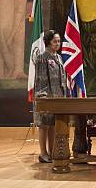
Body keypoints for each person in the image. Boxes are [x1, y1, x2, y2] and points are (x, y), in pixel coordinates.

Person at [33, 30, 68, 163]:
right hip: (46, 98)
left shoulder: (58, 57)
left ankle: (52, 151)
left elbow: (62, 79)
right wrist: (43, 99)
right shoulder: (42, 58)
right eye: (55, 41)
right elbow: (40, 80)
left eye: (59, 41)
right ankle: (43, 153)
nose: (58, 44)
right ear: (48, 42)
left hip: (58, 97)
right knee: (44, 125)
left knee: (53, 125)